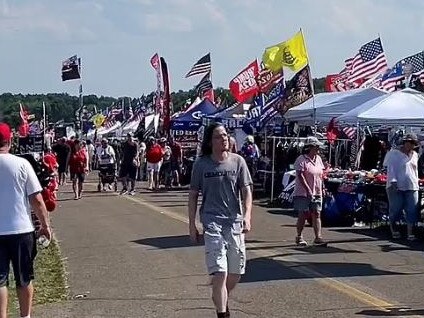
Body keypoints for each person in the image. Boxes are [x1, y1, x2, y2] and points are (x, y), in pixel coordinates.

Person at [188, 123, 253, 318]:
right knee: (220, 272)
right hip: (212, 222)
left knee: (235, 273)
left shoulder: (238, 161)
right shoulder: (202, 164)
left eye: (225, 135)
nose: (224, 139)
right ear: (210, 141)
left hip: (234, 222)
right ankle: (222, 312)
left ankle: (220, 295)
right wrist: (192, 225)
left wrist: (247, 216)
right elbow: (193, 195)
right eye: (218, 136)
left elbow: (247, 191)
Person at [0, 123, 51, 318]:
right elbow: (37, 200)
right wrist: (45, 225)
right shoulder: (21, 164)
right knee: (24, 278)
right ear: (10, 141)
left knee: (0, 280)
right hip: (21, 229)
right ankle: (25, 315)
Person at [383, 133, 419, 240]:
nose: (411, 145)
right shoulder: (394, 154)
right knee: (395, 209)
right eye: (409, 142)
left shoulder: (415, 155)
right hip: (396, 186)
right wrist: (393, 183)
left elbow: (415, 171)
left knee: (412, 209)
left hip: (412, 185)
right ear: (404, 142)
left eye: (413, 143)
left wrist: (417, 182)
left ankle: (410, 233)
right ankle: (394, 229)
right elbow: (391, 169)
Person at [293, 136, 326, 246]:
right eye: (316, 147)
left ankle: (318, 237)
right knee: (303, 214)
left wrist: (323, 187)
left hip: (316, 191)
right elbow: (300, 175)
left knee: (317, 213)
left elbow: (320, 175)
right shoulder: (301, 160)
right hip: (303, 192)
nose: (318, 149)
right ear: (310, 147)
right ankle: (299, 236)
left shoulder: (319, 159)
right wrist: (308, 190)